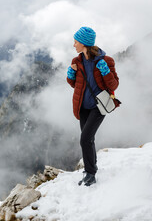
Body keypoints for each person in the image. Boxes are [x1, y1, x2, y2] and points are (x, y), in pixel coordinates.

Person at [66, 27, 119, 186]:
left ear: (83, 43)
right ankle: (92, 168)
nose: (74, 44)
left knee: (85, 139)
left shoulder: (106, 61)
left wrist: (105, 72)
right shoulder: (77, 61)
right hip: (83, 107)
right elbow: (74, 84)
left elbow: (114, 85)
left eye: (76, 41)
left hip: (98, 106)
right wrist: (70, 74)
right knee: (88, 139)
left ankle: (90, 173)